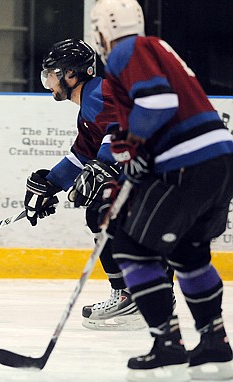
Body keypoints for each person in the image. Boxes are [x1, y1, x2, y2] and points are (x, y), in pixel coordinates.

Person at [90, 0, 233, 380]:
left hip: (185, 164)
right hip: (217, 162)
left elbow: (157, 103)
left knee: (130, 248)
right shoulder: (156, 48)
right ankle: (213, 338)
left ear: (102, 29)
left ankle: (167, 343)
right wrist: (128, 145)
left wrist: (133, 144)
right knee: (188, 253)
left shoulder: (127, 50)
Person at [26, 38, 148, 330]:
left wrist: (103, 163)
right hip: (152, 172)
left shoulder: (98, 92)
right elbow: (82, 155)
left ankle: (131, 297)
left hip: (157, 173)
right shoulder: (90, 103)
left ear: (71, 74)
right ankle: (137, 296)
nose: (49, 81)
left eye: (52, 74)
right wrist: (50, 184)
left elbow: (118, 128)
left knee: (103, 212)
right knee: (104, 213)